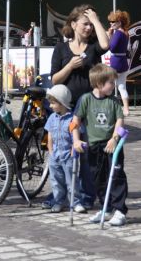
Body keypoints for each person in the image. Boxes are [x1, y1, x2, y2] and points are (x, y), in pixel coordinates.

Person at [50, 4, 109, 210]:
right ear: (73, 25)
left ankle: (87, 196)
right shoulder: (61, 48)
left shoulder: (93, 47)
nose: (88, 28)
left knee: (87, 153)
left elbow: (106, 44)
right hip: (67, 109)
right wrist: (70, 66)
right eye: (85, 24)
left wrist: (95, 19)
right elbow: (55, 79)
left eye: (90, 25)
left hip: (89, 107)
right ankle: (63, 194)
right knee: (66, 152)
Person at [72, 64, 128, 227]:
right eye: (111, 82)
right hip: (93, 146)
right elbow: (75, 122)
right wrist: (76, 140)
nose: (113, 85)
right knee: (98, 178)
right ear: (99, 83)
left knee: (116, 176)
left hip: (112, 145)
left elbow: (120, 121)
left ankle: (120, 210)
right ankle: (106, 207)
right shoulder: (86, 99)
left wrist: (114, 138)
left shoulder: (114, 101)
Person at [44, 84, 79, 213]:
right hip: (55, 156)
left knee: (71, 181)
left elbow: (75, 135)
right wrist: (51, 151)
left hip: (68, 155)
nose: (50, 106)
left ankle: (74, 202)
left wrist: (72, 151)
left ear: (62, 103)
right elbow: (49, 137)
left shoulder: (72, 118)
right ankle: (59, 201)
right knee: (56, 181)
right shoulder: (52, 118)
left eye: (53, 103)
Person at [107, 10, 132, 116]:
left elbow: (112, 48)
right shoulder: (126, 33)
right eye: (110, 21)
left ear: (119, 22)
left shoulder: (117, 33)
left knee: (108, 86)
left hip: (115, 62)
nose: (111, 23)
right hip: (123, 62)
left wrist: (109, 36)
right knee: (122, 87)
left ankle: (108, 107)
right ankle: (126, 109)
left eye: (113, 21)